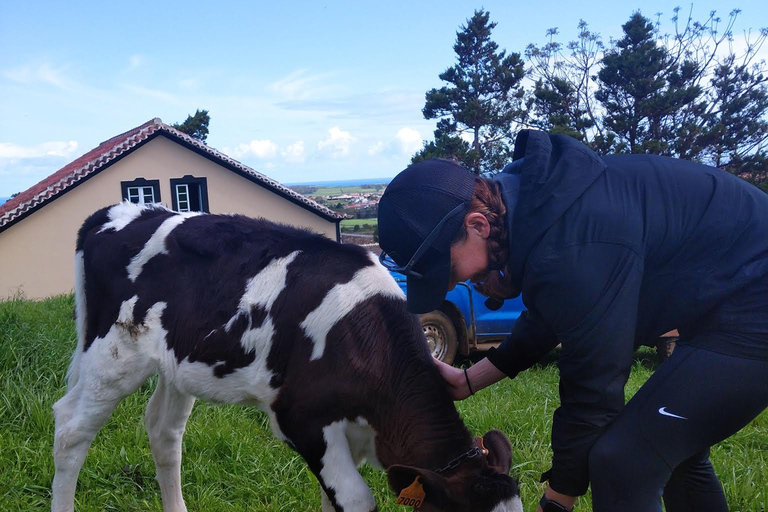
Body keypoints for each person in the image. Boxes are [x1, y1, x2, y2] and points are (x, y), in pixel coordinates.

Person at [376, 130, 768, 512]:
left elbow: (594, 384)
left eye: (447, 269)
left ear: (478, 225)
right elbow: (551, 315)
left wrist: (560, 496)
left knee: (623, 460)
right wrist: (468, 379)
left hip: (754, 304)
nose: (453, 283)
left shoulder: (572, 242)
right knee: (672, 451)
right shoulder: (537, 207)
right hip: (725, 305)